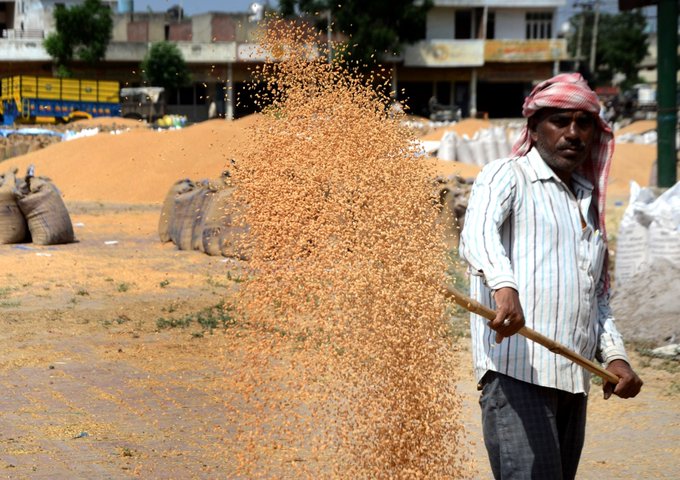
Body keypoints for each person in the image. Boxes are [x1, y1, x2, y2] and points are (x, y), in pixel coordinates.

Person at [459, 73, 643, 480]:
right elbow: (478, 234)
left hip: (574, 379)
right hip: (516, 375)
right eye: (560, 121)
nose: (573, 133)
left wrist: (615, 356)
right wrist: (504, 288)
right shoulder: (507, 175)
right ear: (534, 128)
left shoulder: (586, 201)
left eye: (583, 123)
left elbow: (597, 295)